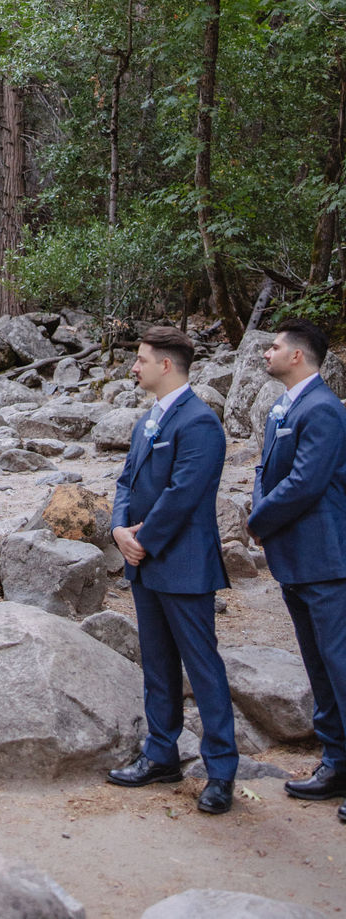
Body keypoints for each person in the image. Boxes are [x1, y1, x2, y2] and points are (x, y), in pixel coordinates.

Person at [107, 325, 238, 814]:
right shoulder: (148, 420)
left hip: (182, 564)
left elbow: (184, 493)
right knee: (158, 665)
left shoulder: (199, 422)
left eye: (141, 360)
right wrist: (119, 531)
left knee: (203, 669)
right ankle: (160, 754)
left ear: (166, 365)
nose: (134, 367)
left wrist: (141, 540)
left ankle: (221, 770)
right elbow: (125, 480)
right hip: (143, 563)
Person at [248, 318, 346, 823]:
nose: (266, 352)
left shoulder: (324, 409)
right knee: (317, 663)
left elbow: (307, 482)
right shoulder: (283, 406)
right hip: (293, 557)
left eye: (274, 346)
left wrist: (258, 519)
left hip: (326, 558)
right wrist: (259, 507)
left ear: (299, 357)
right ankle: (334, 762)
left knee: (340, 664)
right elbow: (265, 469)